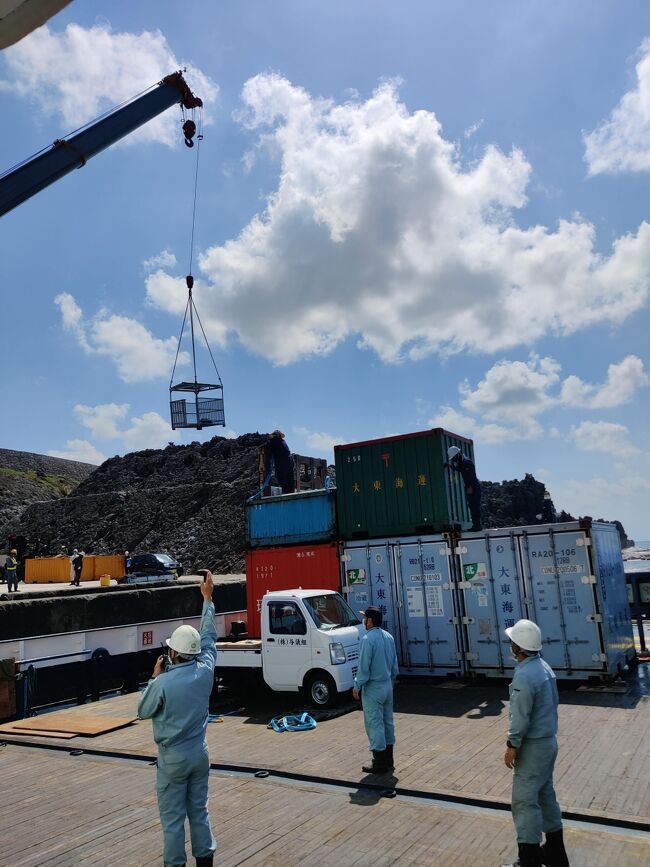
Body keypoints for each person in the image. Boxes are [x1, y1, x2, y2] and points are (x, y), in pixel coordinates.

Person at [138, 572, 218, 867]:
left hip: (172, 759)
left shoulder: (162, 684)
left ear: (173, 653)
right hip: (199, 753)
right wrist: (207, 599)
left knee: (173, 820)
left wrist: (154, 677)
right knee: (199, 810)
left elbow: (143, 710)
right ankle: (205, 859)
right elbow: (208, 637)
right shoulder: (206, 669)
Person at [501, 619, 569, 867]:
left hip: (532, 747)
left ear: (518, 647)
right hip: (548, 742)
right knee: (545, 795)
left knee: (524, 802)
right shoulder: (544, 667)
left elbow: (520, 717)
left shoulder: (524, 675)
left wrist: (512, 745)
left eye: (512, 642)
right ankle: (555, 852)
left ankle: (528, 859)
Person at [352, 605, 399, 774]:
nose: (364, 620)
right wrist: (391, 681)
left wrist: (357, 685)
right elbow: (394, 665)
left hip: (373, 688)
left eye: (365, 618)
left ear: (370, 621)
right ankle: (389, 760)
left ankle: (379, 763)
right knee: (388, 722)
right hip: (387, 685)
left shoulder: (367, 639)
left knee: (374, 724)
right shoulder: (389, 637)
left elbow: (364, 668)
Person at [447, 446, 482, 531]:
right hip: (470, 485)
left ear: (458, 455)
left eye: (454, 458)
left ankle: (477, 526)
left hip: (473, 486)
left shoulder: (466, 462)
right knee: (472, 505)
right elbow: (460, 469)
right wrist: (451, 466)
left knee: (474, 506)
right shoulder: (463, 462)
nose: (454, 460)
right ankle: (476, 525)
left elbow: (471, 475)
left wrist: (470, 487)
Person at [264, 429, 295, 494]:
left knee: (281, 477)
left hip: (283, 461)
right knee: (289, 478)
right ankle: (291, 492)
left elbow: (268, 448)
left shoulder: (274, 441)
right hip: (290, 460)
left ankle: (286, 492)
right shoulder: (283, 441)